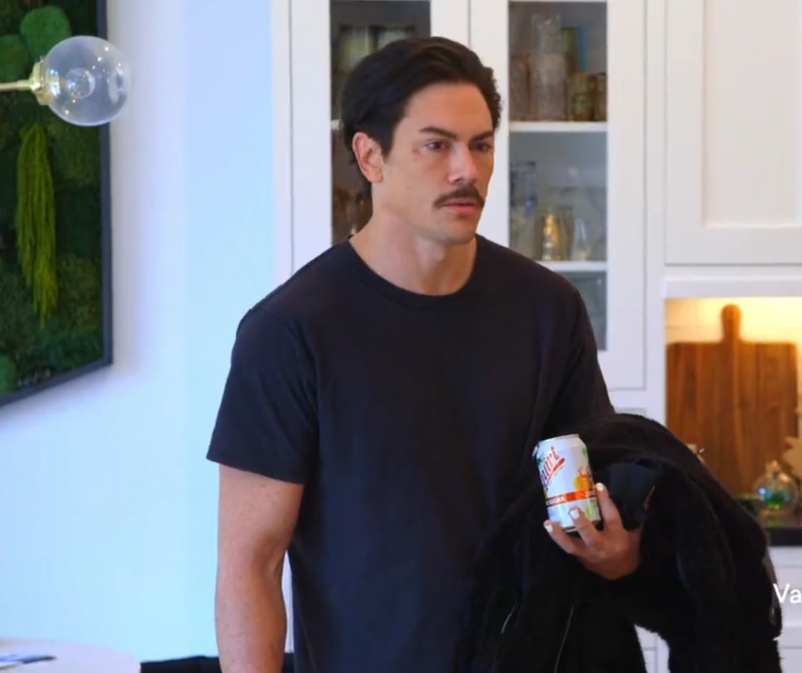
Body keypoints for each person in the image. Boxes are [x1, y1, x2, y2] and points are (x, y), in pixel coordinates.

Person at [206, 37, 640, 673]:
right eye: (437, 145)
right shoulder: (291, 331)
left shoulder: (548, 308)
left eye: (481, 144)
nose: (467, 169)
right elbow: (252, 562)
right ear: (370, 155)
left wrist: (619, 550)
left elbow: (595, 503)